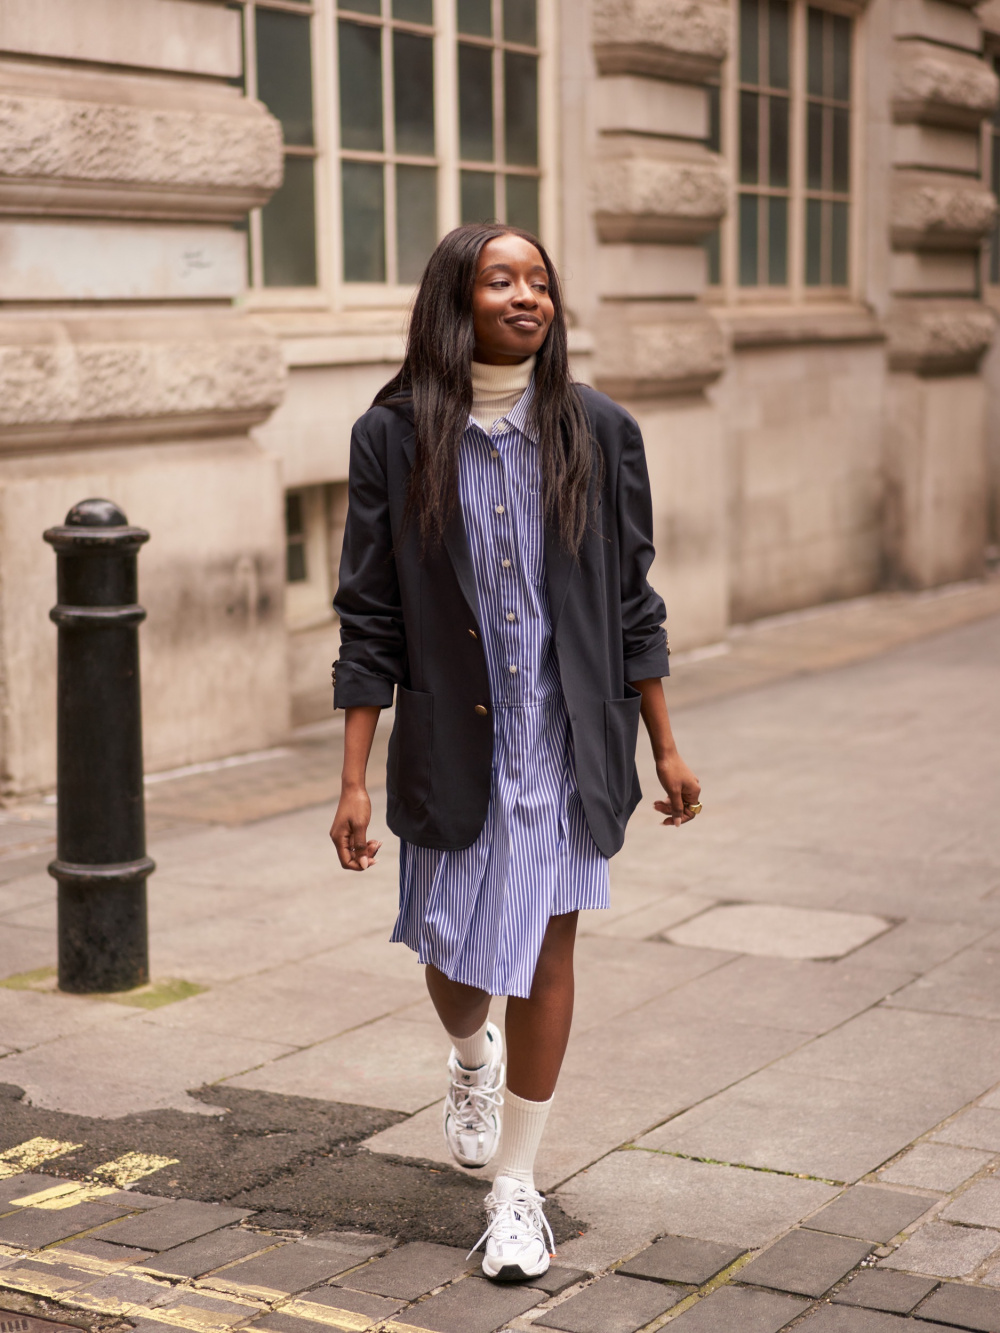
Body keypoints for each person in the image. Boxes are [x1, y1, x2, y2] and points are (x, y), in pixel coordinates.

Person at [330, 222, 701, 1284]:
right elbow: (368, 617)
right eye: (502, 279)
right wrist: (353, 774)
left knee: (546, 953)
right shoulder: (393, 434)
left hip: (566, 740)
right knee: (452, 958)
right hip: (451, 740)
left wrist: (665, 743)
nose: (527, 296)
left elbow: (632, 600)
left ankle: (518, 1190)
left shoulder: (600, 430)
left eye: (540, 280)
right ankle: (468, 1056)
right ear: (458, 298)